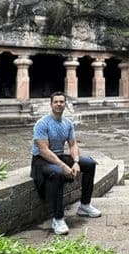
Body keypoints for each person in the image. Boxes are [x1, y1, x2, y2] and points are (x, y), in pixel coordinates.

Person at [30, 92, 101, 235]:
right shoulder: (42, 123)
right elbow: (43, 150)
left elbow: (73, 145)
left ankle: (85, 205)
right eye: (55, 102)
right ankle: (58, 218)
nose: (58, 104)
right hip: (40, 160)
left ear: (65, 104)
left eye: (61, 102)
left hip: (59, 157)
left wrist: (76, 162)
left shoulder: (67, 123)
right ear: (51, 104)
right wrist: (63, 166)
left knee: (89, 163)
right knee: (58, 172)